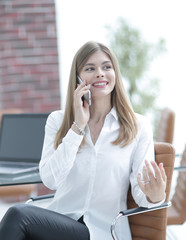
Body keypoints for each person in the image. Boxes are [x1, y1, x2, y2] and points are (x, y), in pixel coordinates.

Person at [0, 41, 167, 240]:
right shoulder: (58, 121)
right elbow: (51, 180)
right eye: (90, 68)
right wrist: (77, 126)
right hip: (59, 223)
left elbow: (142, 193)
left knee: (18, 215)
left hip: (103, 230)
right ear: (78, 78)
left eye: (107, 67)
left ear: (115, 74)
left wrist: (155, 195)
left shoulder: (138, 126)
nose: (100, 73)